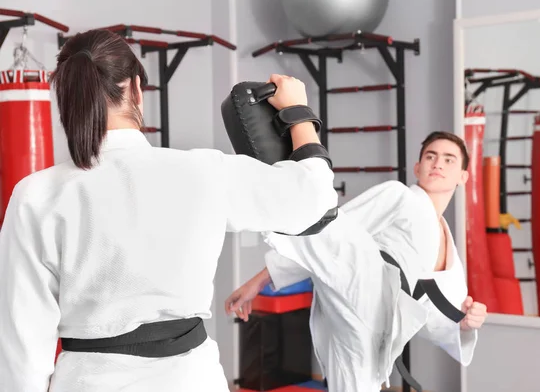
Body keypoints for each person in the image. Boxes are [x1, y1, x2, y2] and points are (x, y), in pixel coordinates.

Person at [0, 29, 338, 392]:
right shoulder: (202, 171)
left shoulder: (36, 195)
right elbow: (314, 200)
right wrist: (297, 112)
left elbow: (21, 343)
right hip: (190, 381)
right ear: (134, 89)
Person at [225, 131, 489, 392]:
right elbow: (329, 234)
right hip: (357, 293)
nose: (438, 163)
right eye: (431, 156)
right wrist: (257, 283)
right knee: (329, 230)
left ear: (463, 176)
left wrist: (465, 321)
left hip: (380, 329)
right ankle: (287, 164)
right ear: (418, 168)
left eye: (449, 159)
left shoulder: (448, 244)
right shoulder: (400, 197)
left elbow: (438, 314)